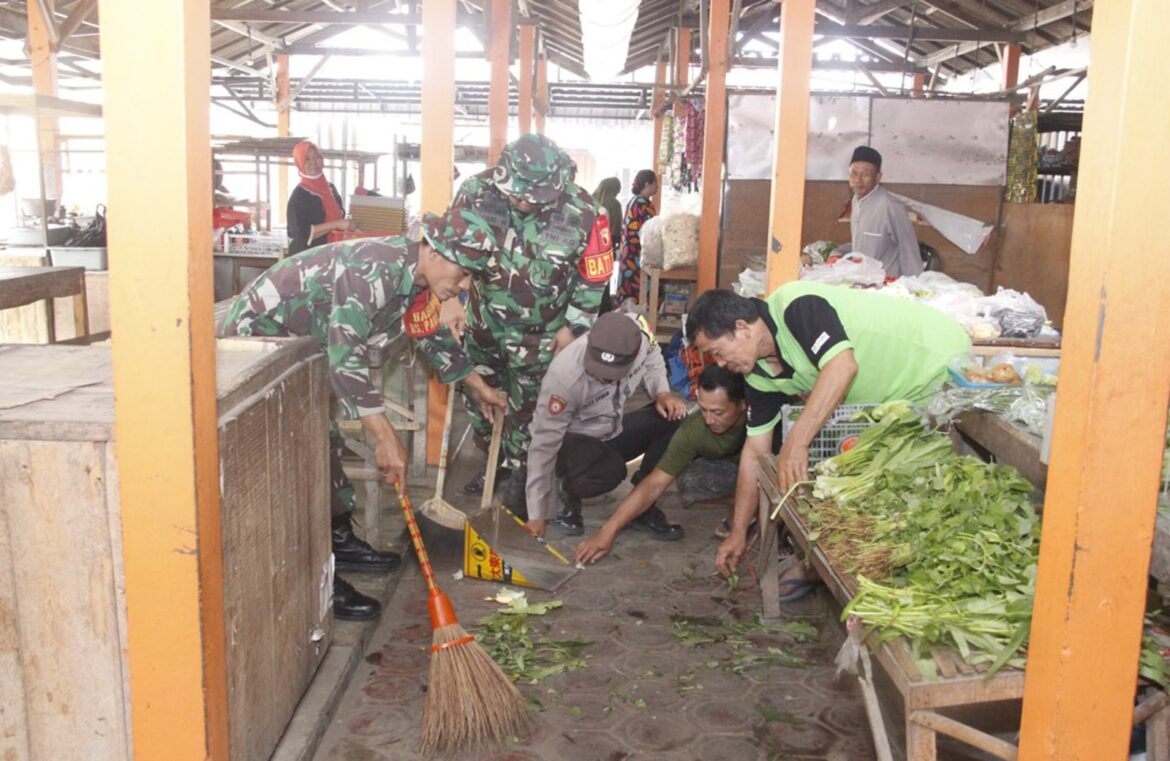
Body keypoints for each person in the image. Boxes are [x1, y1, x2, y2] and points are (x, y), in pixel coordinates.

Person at [219, 207, 507, 621]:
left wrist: (480, 388)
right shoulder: (375, 270)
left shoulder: (417, 281)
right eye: (462, 275)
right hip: (260, 343)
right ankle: (316, 578)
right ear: (434, 252)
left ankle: (338, 543)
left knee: (323, 441)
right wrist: (385, 436)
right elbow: (346, 358)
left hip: (303, 345)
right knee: (297, 463)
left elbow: (430, 335)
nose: (462, 288)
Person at [684, 283, 969, 587]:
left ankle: (916, 578)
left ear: (741, 328)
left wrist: (796, 444)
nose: (721, 364)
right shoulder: (758, 375)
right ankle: (834, 569)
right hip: (889, 399)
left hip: (935, 364)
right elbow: (754, 452)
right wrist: (739, 530)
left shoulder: (796, 306)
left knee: (923, 484)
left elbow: (842, 366)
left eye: (717, 352)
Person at [441, 133, 614, 511]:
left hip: (543, 336)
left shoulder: (586, 212)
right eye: (515, 193)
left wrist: (574, 328)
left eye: (530, 196)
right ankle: (495, 460)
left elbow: (594, 277)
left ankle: (520, 486)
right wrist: (451, 299)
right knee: (481, 404)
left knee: (530, 415)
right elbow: (448, 252)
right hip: (482, 326)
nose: (520, 201)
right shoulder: (475, 191)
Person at [524, 311, 688, 537]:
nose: (603, 378)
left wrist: (661, 392)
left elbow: (653, 358)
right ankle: (563, 494)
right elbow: (543, 446)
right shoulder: (564, 376)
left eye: (611, 375)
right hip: (571, 443)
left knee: (673, 418)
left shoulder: (638, 337)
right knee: (610, 471)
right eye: (598, 370)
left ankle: (642, 504)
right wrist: (537, 514)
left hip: (610, 431)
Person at [575, 364, 749, 565]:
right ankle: (743, 510)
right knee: (692, 480)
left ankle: (755, 518)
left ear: (742, 404)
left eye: (718, 412)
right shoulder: (694, 429)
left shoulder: (764, 419)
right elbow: (655, 483)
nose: (709, 420)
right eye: (703, 409)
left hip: (761, 473)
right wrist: (607, 532)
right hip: (732, 474)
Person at [834, 146, 922, 279]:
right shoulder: (856, 201)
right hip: (862, 282)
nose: (857, 179)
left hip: (886, 285)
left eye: (865, 174)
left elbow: (908, 249)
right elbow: (862, 242)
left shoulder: (890, 206)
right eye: (854, 173)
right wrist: (837, 253)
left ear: (878, 177)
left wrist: (913, 288)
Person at [287, 140, 356, 255]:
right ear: (300, 163)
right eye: (307, 159)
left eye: (316, 157)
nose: (313, 162)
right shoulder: (299, 195)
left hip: (333, 252)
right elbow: (300, 233)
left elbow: (340, 216)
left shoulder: (331, 189)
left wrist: (347, 224)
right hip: (308, 259)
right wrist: (337, 224)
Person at [614, 169, 658, 307]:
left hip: (628, 251)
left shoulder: (633, 201)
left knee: (628, 286)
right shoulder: (645, 204)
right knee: (638, 288)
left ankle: (625, 318)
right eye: (655, 184)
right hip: (638, 253)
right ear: (647, 184)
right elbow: (651, 232)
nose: (656, 187)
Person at [592, 176, 623, 314]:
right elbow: (616, 231)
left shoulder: (591, 200)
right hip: (605, 248)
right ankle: (603, 310)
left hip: (588, 248)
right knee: (604, 283)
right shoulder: (615, 204)